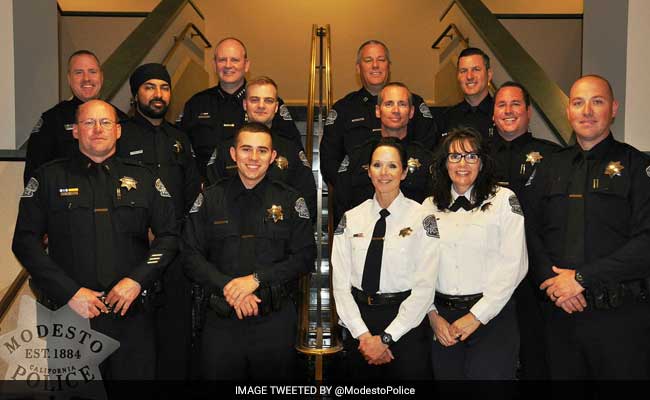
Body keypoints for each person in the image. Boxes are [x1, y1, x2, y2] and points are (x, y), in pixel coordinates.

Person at [12, 100, 178, 379]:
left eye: (105, 122)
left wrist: (138, 280)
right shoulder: (49, 178)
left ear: (118, 131)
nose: (97, 129)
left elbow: (170, 236)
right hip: (72, 317)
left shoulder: (145, 178)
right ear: (75, 131)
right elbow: (25, 242)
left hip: (132, 317)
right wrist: (70, 292)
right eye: (88, 123)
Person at [526, 75, 650, 379]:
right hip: (560, 315)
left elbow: (646, 241)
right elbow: (530, 231)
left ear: (614, 108)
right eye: (578, 103)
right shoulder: (548, 166)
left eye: (598, 101)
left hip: (619, 318)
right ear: (569, 111)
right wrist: (554, 286)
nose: (587, 111)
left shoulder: (636, 166)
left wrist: (582, 279)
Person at [183, 122, 316, 380]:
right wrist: (229, 287)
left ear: (273, 157)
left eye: (262, 151)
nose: (253, 158)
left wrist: (255, 280)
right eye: (246, 150)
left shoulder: (291, 201)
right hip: (221, 321)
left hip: (274, 320)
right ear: (233, 154)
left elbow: (304, 257)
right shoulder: (210, 199)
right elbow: (190, 255)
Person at [117, 63, 202, 380]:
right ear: (136, 92)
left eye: (164, 87)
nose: (158, 94)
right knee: (134, 337)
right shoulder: (120, 135)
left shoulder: (180, 139)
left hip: (175, 252)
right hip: (132, 252)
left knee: (175, 336)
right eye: (149, 87)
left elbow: (194, 194)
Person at [423, 128, 527, 379]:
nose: (462, 164)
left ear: (482, 163)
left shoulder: (504, 200)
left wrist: (476, 316)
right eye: (454, 156)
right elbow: (420, 268)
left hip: (492, 318)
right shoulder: (428, 207)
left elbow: (515, 265)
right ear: (444, 163)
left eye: (471, 156)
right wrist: (432, 315)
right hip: (443, 322)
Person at [331, 138, 439, 380]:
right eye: (377, 165)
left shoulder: (423, 217)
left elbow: (425, 288)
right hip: (361, 325)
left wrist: (387, 338)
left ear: (403, 172)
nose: (384, 172)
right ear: (368, 171)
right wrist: (364, 336)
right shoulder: (351, 218)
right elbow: (340, 285)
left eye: (392, 166)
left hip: (407, 324)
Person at [491, 81, 560, 379]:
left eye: (515, 104)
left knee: (537, 356)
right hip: (487, 275)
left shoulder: (554, 156)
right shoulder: (476, 157)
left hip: (537, 275)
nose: (508, 110)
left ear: (529, 111)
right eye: (501, 104)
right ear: (492, 114)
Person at [320, 39, 436, 204]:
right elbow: (330, 161)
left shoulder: (414, 103)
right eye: (368, 60)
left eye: (381, 60)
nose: (375, 65)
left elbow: (428, 151)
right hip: (360, 198)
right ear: (358, 68)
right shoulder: (343, 109)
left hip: (411, 195)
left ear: (388, 66)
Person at [179, 37, 303, 179]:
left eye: (235, 60)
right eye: (222, 60)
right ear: (214, 65)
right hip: (210, 188)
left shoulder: (266, 105)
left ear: (246, 65)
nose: (228, 65)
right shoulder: (196, 104)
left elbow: (291, 148)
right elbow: (183, 153)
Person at [206, 76, 316, 221]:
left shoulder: (291, 150)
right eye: (255, 100)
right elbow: (211, 199)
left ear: (276, 107)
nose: (261, 106)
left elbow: (307, 203)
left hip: (278, 234)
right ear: (245, 104)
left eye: (268, 100)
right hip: (231, 234)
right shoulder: (225, 149)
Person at [334, 82, 433, 224]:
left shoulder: (426, 158)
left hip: (413, 238)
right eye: (389, 104)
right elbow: (341, 204)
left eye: (402, 104)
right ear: (378, 110)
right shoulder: (357, 156)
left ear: (411, 112)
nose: (396, 110)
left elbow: (435, 207)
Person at [23, 50, 127, 184]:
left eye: (92, 72)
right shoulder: (52, 120)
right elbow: (34, 174)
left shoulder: (120, 118)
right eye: (78, 72)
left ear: (101, 77)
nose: (86, 78)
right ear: (69, 79)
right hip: (66, 201)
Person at [437, 47, 494, 141]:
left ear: (489, 75)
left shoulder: (502, 115)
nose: (469, 76)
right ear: (457, 77)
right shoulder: (446, 118)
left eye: (476, 69)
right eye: (463, 71)